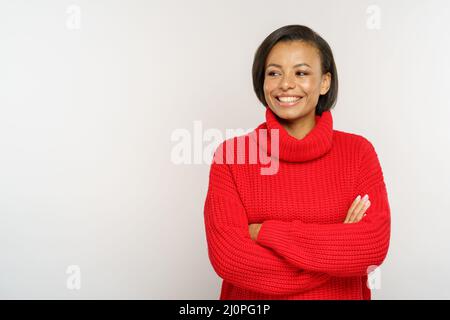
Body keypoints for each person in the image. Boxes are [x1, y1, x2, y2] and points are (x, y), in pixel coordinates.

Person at [203, 24, 391, 300]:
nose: (286, 84)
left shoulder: (358, 152)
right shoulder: (232, 156)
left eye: (301, 72)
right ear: (262, 81)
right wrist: (339, 251)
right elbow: (231, 259)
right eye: (274, 73)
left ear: (324, 82)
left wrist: (265, 232)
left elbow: (372, 247)